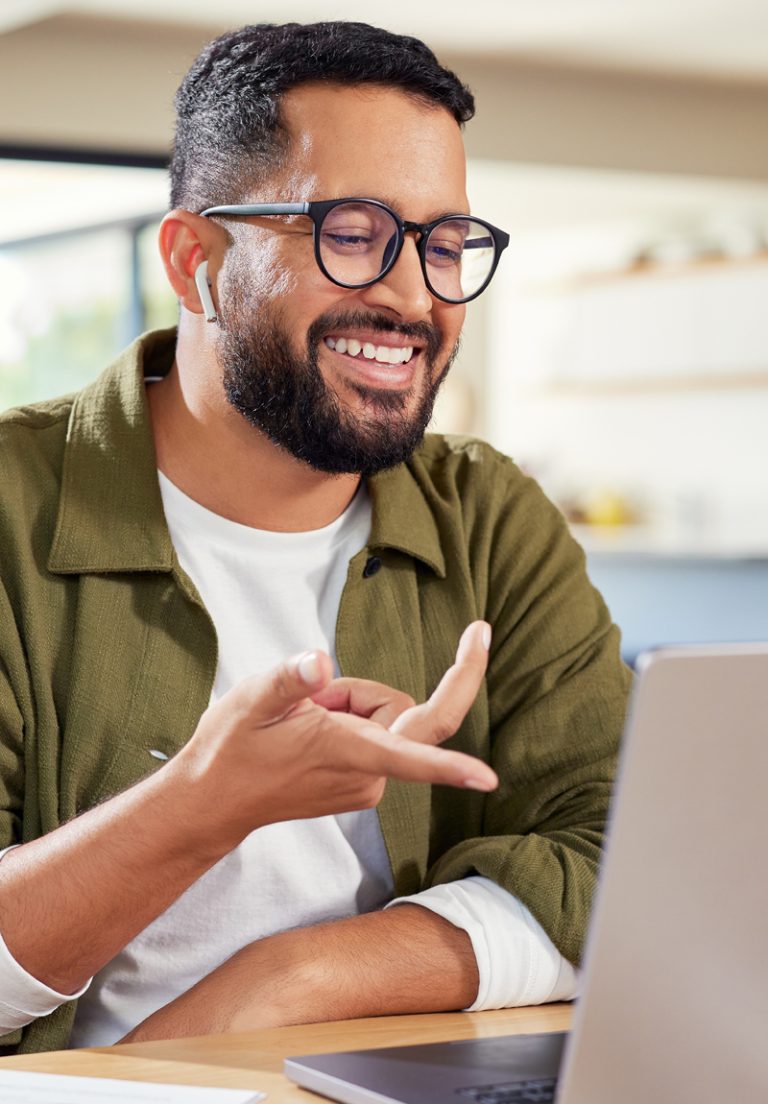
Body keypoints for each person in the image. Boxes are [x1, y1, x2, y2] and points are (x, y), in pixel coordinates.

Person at [0, 21, 631, 1054]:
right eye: (351, 233)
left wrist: (295, 978)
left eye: (444, 244)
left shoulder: (488, 518)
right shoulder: (11, 512)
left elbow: (635, 864)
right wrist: (201, 806)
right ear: (195, 258)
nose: (414, 296)